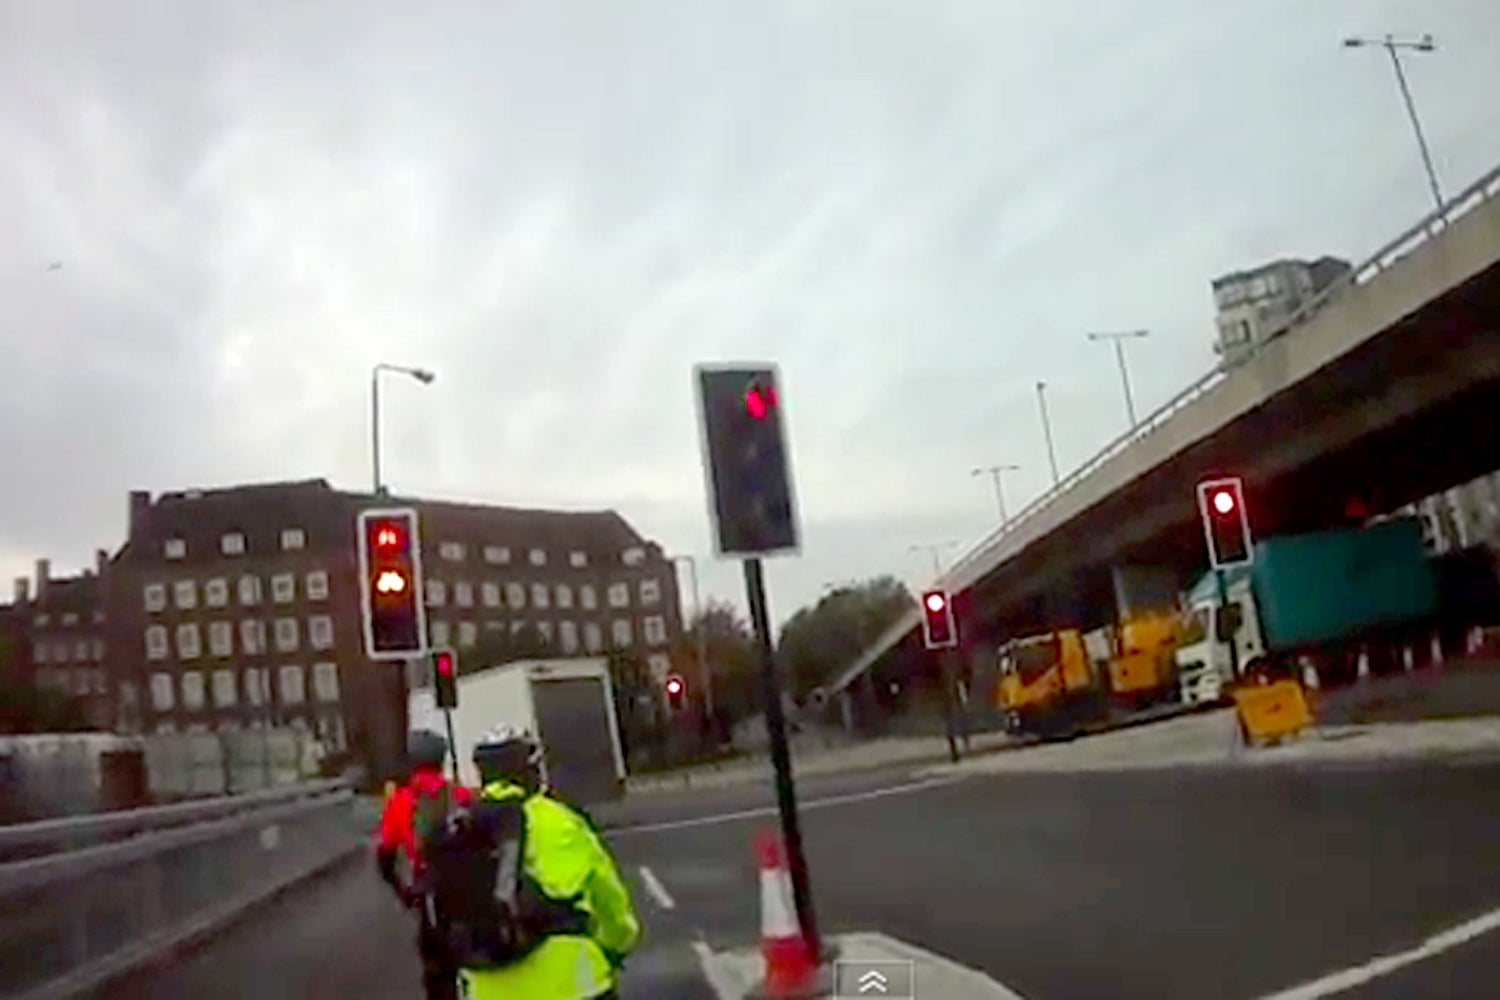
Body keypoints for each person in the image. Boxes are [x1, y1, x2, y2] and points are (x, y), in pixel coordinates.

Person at [433, 724, 641, 1000]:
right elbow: (608, 897)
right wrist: (620, 942)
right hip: (573, 985)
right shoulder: (559, 820)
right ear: (530, 769)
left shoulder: (462, 827)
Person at [375, 729, 471, 1000]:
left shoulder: (400, 802)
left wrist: (403, 891)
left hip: (430, 893)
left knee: (437, 967)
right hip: (467, 887)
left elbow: (385, 858)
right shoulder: (462, 795)